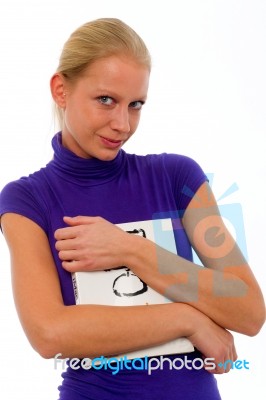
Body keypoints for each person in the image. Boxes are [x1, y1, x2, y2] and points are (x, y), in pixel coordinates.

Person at [0, 18, 265, 400]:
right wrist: (187, 319)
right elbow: (50, 333)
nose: (122, 124)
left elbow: (248, 310)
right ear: (61, 89)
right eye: (105, 100)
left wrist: (130, 249)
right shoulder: (27, 201)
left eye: (135, 105)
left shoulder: (179, 178)